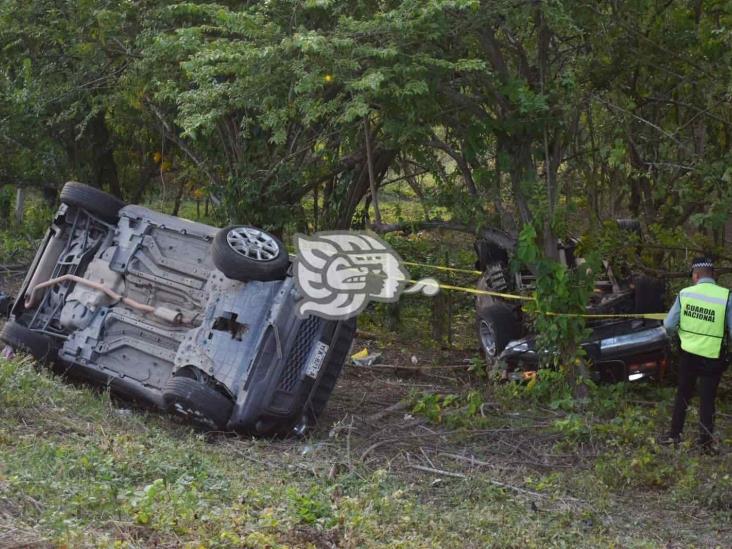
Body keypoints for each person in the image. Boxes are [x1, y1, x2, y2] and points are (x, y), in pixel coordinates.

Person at [661, 257, 732, 452]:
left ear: (696, 275)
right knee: (707, 399)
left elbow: (668, 325)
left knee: (683, 394)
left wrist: (678, 337)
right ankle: (706, 443)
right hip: (713, 355)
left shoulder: (685, 294)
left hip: (688, 354)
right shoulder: (726, 296)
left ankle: (674, 436)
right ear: (713, 275)